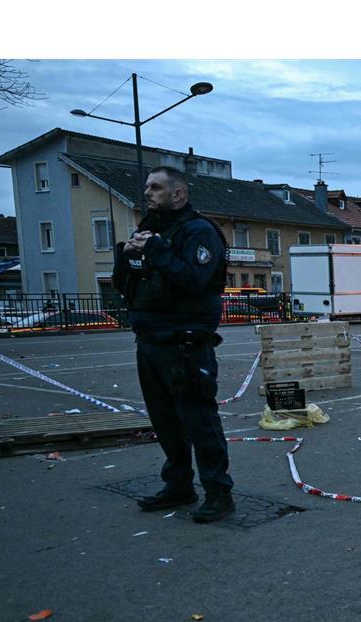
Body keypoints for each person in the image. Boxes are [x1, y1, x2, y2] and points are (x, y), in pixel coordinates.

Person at [113, 165, 236, 523]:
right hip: (149, 340)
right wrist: (130, 254)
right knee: (165, 420)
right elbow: (125, 284)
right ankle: (179, 485)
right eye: (147, 187)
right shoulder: (150, 230)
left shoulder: (200, 232)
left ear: (178, 194)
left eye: (156, 187)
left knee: (199, 419)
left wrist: (157, 249)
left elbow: (193, 279)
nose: (148, 193)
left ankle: (218, 491)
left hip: (185, 343)